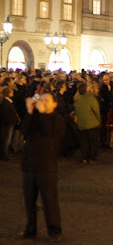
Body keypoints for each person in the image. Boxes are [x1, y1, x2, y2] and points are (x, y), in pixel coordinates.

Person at [18, 93, 65, 242]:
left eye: (46, 100)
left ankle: (54, 230)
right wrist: (30, 112)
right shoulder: (36, 117)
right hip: (29, 164)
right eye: (41, 100)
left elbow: (48, 133)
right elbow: (24, 130)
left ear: (54, 104)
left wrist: (43, 113)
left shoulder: (58, 119)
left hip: (47, 166)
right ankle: (30, 229)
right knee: (29, 201)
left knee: (49, 200)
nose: (43, 103)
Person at [74, 83, 101, 163]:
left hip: (81, 124)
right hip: (92, 123)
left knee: (84, 142)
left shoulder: (78, 99)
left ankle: (85, 157)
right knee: (92, 141)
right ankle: (92, 157)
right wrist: (99, 120)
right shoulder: (91, 98)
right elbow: (96, 110)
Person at [0, 86, 18, 161]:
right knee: (6, 140)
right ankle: (5, 155)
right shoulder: (5, 102)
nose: (12, 92)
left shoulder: (8, 101)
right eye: (11, 91)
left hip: (9, 123)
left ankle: (5, 154)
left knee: (7, 139)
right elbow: (6, 114)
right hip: (7, 124)